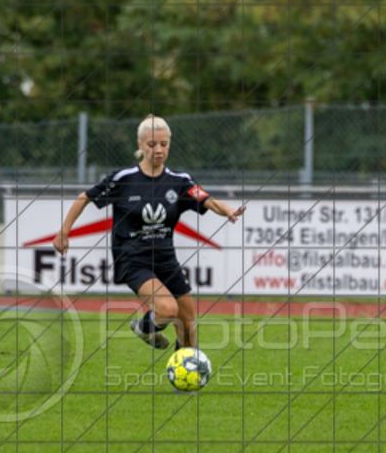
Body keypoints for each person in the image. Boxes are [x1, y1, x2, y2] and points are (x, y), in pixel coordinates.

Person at [54, 114, 244, 350]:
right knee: (167, 309)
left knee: (188, 327)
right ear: (140, 145)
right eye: (152, 144)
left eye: (164, 144)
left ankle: (187, 372)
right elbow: (85, 197)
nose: (159, 150)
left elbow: (208, 200)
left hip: (165, 258)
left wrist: (228, 211)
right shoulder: (124, 179)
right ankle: (143, 329)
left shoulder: (180, 181)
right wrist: (64, 231)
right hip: (132, 258)